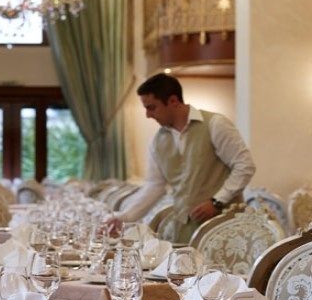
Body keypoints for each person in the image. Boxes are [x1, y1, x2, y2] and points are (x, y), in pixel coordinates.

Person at [106, 73, 256, 243]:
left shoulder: (215, 124)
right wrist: (124, 217)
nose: (148, 115)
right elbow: (155, 186)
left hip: (225, 227)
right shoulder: (156, 142)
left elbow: (245, 166)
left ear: (173, 101)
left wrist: (217, 202)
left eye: (152, 107)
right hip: (184, 228)